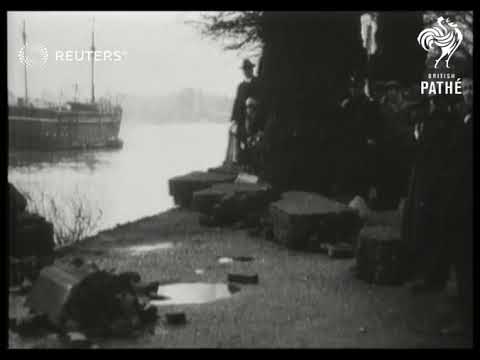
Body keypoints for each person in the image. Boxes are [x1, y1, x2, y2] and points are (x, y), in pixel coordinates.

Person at [335, 75, 380, 201]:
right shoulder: (347, 104)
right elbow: (342, 125)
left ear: (362, 88)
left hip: (363, 146)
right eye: (352, 87)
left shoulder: (370, 105)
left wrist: (371, 140)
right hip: (350, 146)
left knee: (362, 180)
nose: (354, 90)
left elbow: (374, 126)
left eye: (357, 87)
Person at [377, 80, 416, 209]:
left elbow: (412, 127)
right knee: (389, 175)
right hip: (388, 148)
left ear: (399, 91)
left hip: (404, 148)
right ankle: (388, 201)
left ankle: (402, 201)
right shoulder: (383, 108)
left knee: (403, 176)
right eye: (388, 90)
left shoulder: (409, 107)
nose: (391, 93)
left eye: (394, 90)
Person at [226, 59, 260, 167]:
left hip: (254, 119)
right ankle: (240, 162)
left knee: (252, 142)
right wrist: (234, 119)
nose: (246, 71)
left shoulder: (258, 83)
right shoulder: (240, 86)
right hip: (241, 119)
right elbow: (237, 102)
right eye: (244, 69)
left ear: (252, 69)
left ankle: (251, 164)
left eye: (248, 69)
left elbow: (262, 100)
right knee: (239, 139)